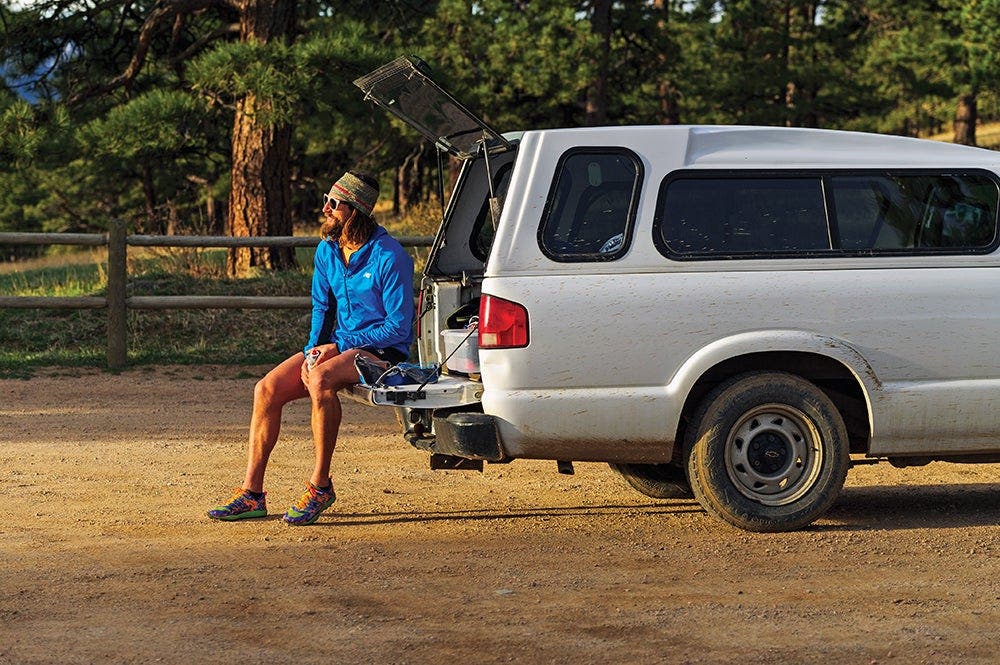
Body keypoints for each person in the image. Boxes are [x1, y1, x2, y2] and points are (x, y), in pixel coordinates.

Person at [207, 170, 414, 525]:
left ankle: (321, 487)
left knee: (320, 381)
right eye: (326, 201)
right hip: (340, 347)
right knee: (267, 388)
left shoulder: (389, 256)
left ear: (355, 210)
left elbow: (398, 326)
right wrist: (312, 350)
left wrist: (338, 347)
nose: (326, 209)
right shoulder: (327, 250)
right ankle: (252, 494)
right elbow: (322, 307)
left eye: (334, 204)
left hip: (384, 352)